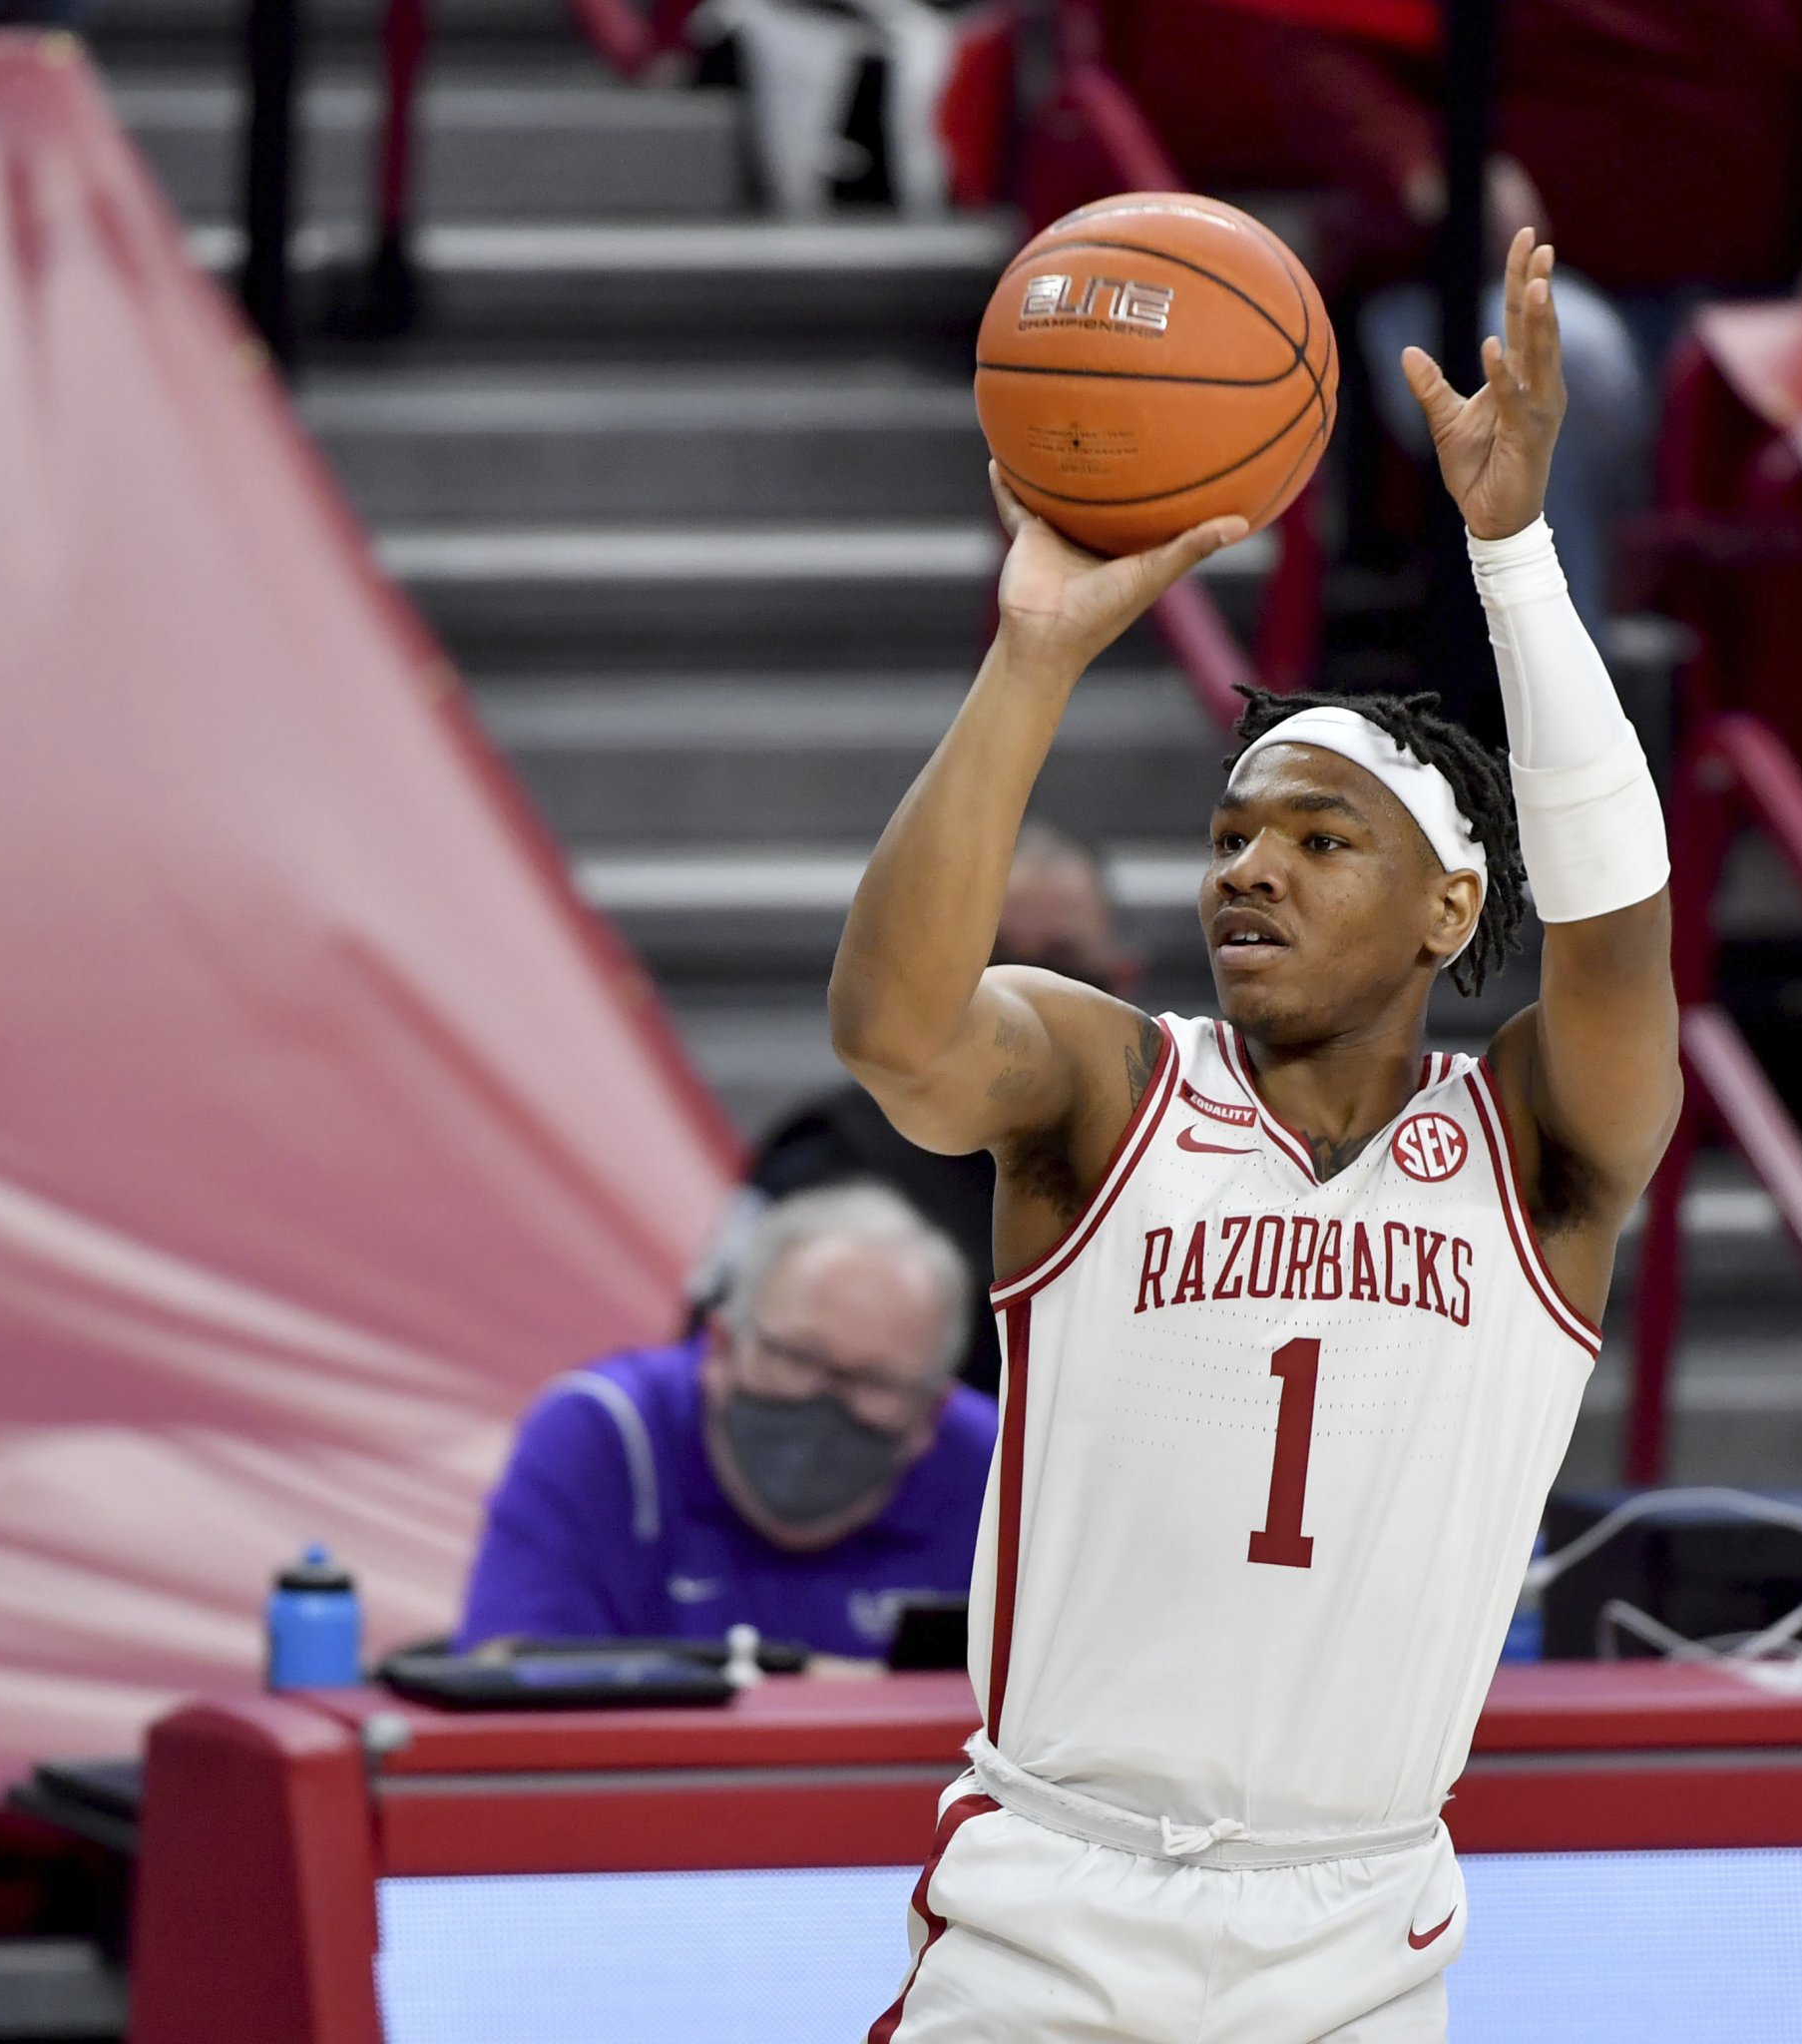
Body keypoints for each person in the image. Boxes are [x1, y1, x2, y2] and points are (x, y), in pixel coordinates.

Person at [836, 233, 1678, 2039]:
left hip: (1358, 1925)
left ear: (1452, 909)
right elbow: (894, 1034)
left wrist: (1515, 557)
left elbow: (1621, 927)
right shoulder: (1108, 1086)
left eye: (1317, 836)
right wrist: (1036, 652)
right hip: (1053, 1899)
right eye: (1230, 836)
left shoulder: (1539, 1156)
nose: (1248, 868)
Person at [1112, 0, 1802, 649]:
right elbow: (1319, 56)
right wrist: (1430, 166)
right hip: (1474, 291)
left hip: (1747, 311)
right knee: (1560, 367)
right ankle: (1573, 761)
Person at [456, 1183, 995, 1661]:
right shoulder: (607, 1435)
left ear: (933, 1412)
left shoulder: (1004, 1475)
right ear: (719, 1345)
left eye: (876, 1382)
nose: (827, 1403)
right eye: (798, 1359)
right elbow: (503, 1676)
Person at [742, 820, 1140, 1396]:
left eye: (1062, 961)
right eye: (994, 954)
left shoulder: (1188, 1156)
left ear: (1124, 979)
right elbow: (718, 1358)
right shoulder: (832, 1154)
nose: (1028, 995)